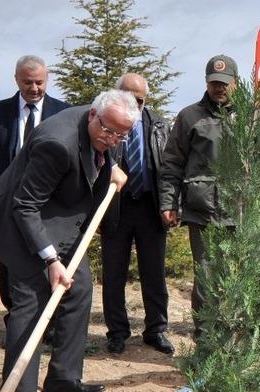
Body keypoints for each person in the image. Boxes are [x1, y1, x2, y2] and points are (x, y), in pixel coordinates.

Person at [0, 89, 132, 392]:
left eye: (120, 135)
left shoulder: (108, 124)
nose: (112, 139)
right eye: (108, 132)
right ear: (93, 115)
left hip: (64, 222)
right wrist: (51, 261)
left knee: (79, 289)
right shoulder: (57, 143)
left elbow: (102, 154)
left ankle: (63, 378)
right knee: (31, 306)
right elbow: (25, 206)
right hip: (25, 227)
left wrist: (112, 167)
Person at [161, 54, 260, 335]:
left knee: (253, 275)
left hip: (244, 212)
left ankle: (257, 336)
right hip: (203, 213)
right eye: (214, 82)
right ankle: (207, 338)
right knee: (207, 279)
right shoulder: (189, 117)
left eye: (224, 83)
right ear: (206, 82)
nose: (219, 88)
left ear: (236, 83)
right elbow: (172, 163)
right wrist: (168, 201)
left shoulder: (254, 117)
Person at [0, 55, 71, 314]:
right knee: (11, 259)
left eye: (39, 82)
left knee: (48, 256)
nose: (34, 88)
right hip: (8, 198)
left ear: (47, 79)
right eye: (27, 82)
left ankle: (47, 319)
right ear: (16, 79)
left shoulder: (62, 111)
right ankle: (15, 314)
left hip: (48, 200)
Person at [101, 73, 173, 355]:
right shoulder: (105, 122)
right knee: (114, 273)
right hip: (115, 207)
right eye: (128, 97)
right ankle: (117, 332)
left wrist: (169, 204)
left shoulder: (158, 125)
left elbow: (168, 168)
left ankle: (156, 330)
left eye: (139, 100)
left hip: (149, 206)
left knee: (154, 273)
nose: (133, 104)